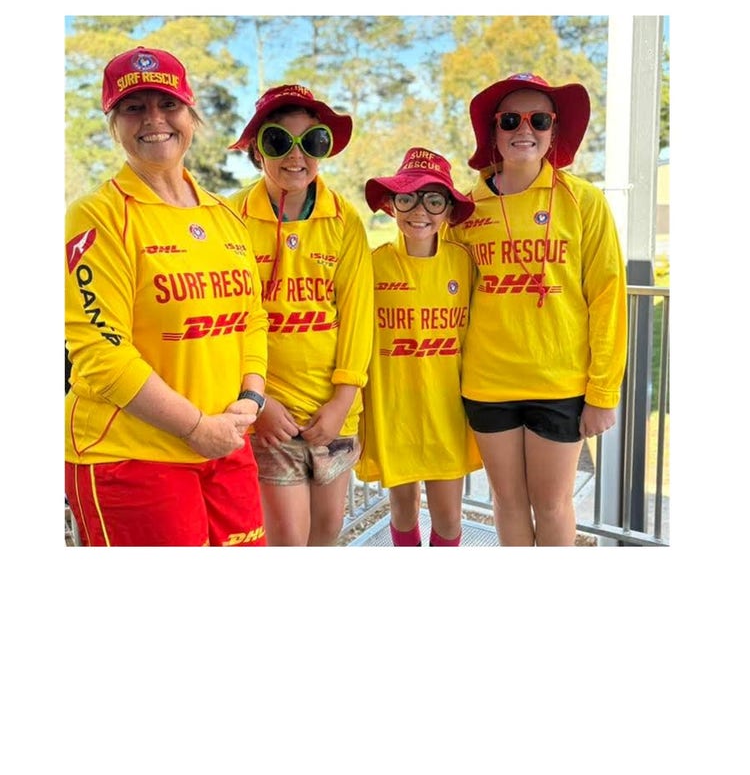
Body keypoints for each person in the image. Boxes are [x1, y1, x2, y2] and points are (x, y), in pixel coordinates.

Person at [65, 46, 269, 546]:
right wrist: (198, 427)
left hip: (226, 444)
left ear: (191, 114)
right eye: (134, 107)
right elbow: (101, 357)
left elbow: (252, 322)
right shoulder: (98, 217)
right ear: (113, 122)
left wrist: (251, 397)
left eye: (167, 104)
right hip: (131, 455)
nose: (154, 119)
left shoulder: (225, 216)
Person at [446, 72, 627, 546]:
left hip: (559, 381)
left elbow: (607, 296)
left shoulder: (582, 201)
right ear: (493, 132)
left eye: (539, 119)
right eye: (510, 119)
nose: (524, 129)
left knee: (551, 505)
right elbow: (448, 295)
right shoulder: (465, 210)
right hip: (487, 382)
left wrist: (603, 390)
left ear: (553, 131)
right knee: (506, 503)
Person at [227, 84, 374, 546]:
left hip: (334, 417)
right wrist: (258, 403)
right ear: (256, 150)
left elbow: (357, 315)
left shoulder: (344, 219)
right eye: (278, 141)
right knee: (288, 541)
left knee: (326, 537)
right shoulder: (228, 218)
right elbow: (222, 323)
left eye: (311, 142)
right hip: (270, 419)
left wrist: (341, 403)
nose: (296, 156)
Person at [356, 148, 483, 546]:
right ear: (392, 206)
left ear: (447, 210)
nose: (419, 211)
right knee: (403, 509)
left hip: (447, 410)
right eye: (407, 198)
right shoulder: (372, 265)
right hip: (394, 409)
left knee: (447, 517)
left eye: (433, 199)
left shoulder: (464, 263)